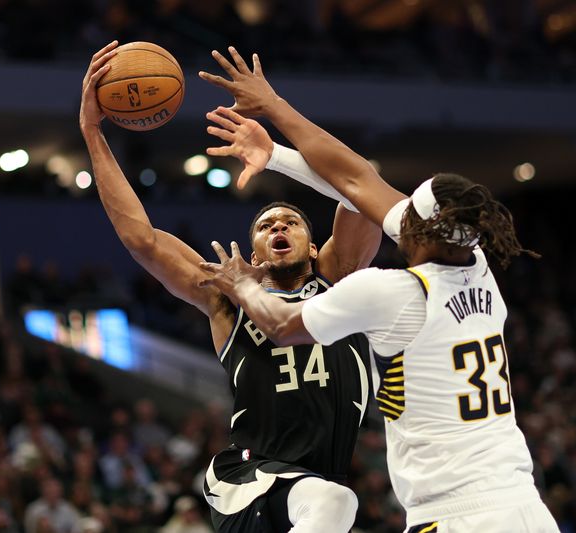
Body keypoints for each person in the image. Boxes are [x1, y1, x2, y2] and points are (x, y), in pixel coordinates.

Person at [198, 48, 559, 532]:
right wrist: (277, 149)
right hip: (524, 505)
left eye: (409, 214)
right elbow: (356, 182)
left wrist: (244, 285)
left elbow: (282, 325)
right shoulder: (477, 267)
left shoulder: (392, 293)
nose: (398, 214)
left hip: (455, 515)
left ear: (421, 234)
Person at [79, 41, 382, 533]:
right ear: (256, 252)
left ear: (313, 248)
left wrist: (278, 136)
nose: (278, 227)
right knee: (334, 503)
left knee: (332, 502)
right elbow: (142, 239)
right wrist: (91, 131)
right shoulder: (226, 294)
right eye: (265, 226)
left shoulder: (340, 278)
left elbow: (362, 183)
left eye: (290, 222)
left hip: (315, 485)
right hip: (249, 477)